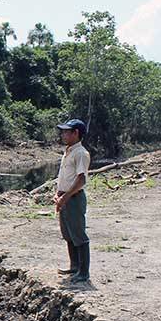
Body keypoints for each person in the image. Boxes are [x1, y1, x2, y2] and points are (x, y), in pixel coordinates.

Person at [54, 119, 91, 285]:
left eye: (66, 131)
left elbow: (81, 180)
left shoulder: (80, 153)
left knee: (79, 235)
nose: (63, 134)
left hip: (73, 199)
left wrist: (65, 197)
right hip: (65, 197)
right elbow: (64, 177)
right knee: (68, 234)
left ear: (76, 133)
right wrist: (58, 195)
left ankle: (83, 273)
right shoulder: (68, 151)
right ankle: (74, 266)